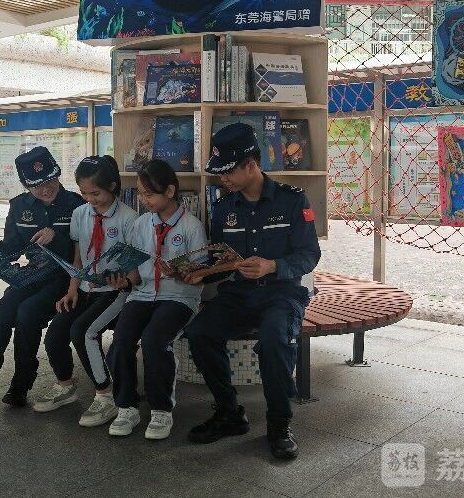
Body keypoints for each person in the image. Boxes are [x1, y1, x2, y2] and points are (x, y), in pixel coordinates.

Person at [184, 123, 321, 459]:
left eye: (228, 171)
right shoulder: (224, 208)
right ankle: (229, 413)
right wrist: (199, 273)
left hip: (282, 293)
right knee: (200, 333)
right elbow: (222, 259)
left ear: (250, 164)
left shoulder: (293, 200)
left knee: (275, 339)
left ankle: (279, 423)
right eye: (219, 173)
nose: (223, 179)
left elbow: (309, 255)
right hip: (239, 294)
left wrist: (272, 265)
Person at [0, 146, 85, 413]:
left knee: (28, 313)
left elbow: (83, 250)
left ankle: (21, 384)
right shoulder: (19, 206)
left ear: (57, 175)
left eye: (50, 181)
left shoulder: (76, 205)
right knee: (0, 314)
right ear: (26, 186)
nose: (46, 189)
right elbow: (14, 248)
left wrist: (56, 237)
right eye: (37, 186)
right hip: (32, 275)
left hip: (64, 279)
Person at [105, 159, 207, 440]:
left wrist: (185, 273)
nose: (143, 200)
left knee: (154, 339)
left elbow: (202, 272)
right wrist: (124, 281)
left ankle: (161, 409)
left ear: (170, 191)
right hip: (143, 293)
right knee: (122, 338)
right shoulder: (140, 225)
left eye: (149, 194)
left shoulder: (191, 226)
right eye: (140, 194)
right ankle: (126, 406)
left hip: (179, 297)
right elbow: (134, 273)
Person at [33, 156, 137, 428]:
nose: (90, 199)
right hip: (86, 287)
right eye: (84, 193)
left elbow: (135, 268)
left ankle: (106, 395)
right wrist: (72, 291)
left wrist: (124, 281)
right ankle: (65, 385)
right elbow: (78, 259)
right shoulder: (81, 214)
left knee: (83, 331)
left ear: (112, 186)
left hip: (116, 293)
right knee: (56, 332)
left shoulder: (129, 218)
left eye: (96, 193)